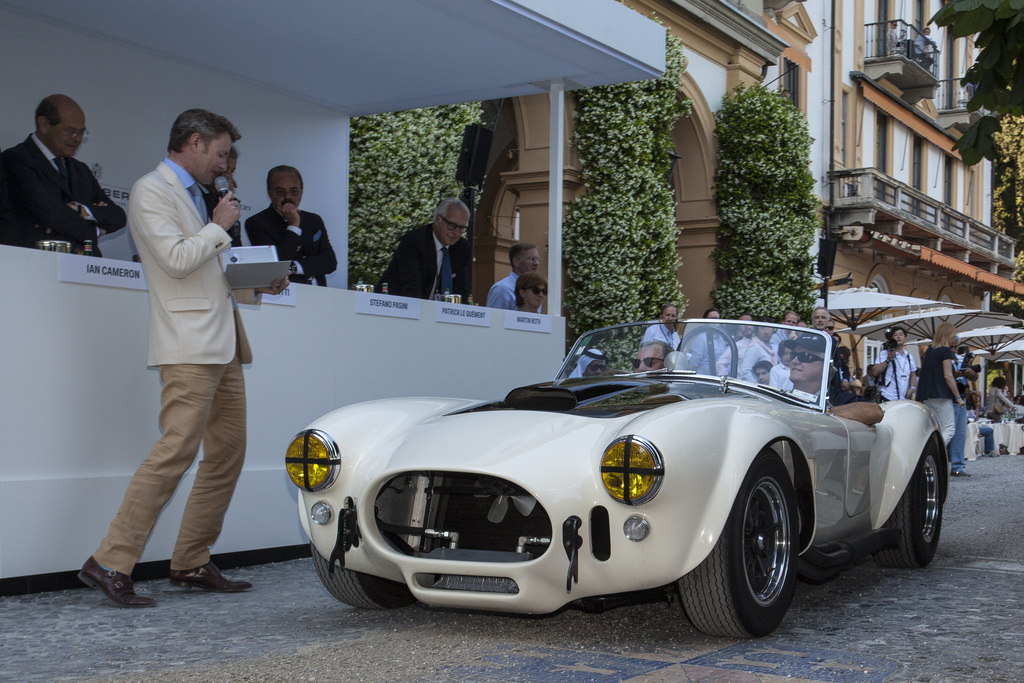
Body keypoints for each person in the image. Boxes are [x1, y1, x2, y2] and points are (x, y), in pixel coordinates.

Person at [78, 109, 288, 608]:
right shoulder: (152, 189)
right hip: (189, 345)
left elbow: (210, 273)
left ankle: (191, 559)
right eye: (219, 154)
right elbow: (175, 260)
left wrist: (259, 282)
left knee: (227, 455)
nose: (223, 164)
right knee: (175, 451)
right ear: (193, 143)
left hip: (224, 342)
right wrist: (218, 227)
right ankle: (110, 560)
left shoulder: (198, 197)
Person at [2, 94, 126, 254]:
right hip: (35, 264)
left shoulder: (81, 170)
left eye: (81, 132)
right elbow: (51, 214)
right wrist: (95, 231)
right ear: (44, 124)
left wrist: (80, 210)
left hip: (84, 266)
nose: (77, 139)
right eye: (71, 131)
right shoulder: (16, 159)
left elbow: (118, 216)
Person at [245, 165, 337, 286]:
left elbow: (329, 262)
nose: (288, 197)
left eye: (293, 191)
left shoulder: (314, 220)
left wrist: (294, 267)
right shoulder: (257, 223)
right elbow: (277, 264)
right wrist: (293, 225)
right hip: (283, 295)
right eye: (280, 191)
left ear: (301, 192)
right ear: (270, 193)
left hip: (318, 294)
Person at [378, 198, 472, 300]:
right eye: (452, 225)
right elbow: (411, 287)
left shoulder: (462, 248)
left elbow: (462, 290)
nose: (457, 233)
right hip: (394, 304)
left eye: (461, 228)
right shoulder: (415, 241)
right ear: (437, 220)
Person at [788, 333, 883, 425]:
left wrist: (823, 413)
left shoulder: (838, 400)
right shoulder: (783, 395)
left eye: (805, 356)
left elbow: (875, 411)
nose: (794, 361)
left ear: (826, 367)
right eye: (793, 355)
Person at [916, 323, 963, 474]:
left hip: (928, 396)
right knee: (949, 429)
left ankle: (928, 457)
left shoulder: (930, 351)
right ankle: (929, 456)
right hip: (942, 395)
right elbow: (948, 377)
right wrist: (958, 397)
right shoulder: (945, 351)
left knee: (935, 429)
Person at [948, 344, 980, 474]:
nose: (953, 349)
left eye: (955, 347)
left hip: (961, 399)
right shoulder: (943, 359)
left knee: (960, 434)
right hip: (947, 399)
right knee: (947, 433)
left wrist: (971, 373)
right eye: (951, 347)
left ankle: (958, 466)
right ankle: (942, 464)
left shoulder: (961, 359)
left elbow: (974, 377)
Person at [203, 145, 241, 246]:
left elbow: (235, 243)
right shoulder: (197, 196)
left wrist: (227, 195)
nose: (228, 175)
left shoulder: (228, 199)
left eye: (231, 171)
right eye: (225, 170)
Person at [868, 326, 918, 402]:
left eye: (901, 334)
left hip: (904, 398)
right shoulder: (884, 353)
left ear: (905, 338)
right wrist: (888, 360)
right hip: (887, 396)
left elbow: (913, 374)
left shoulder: (908, 356)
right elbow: (874, 372)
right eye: (895, 335)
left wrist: (912, 388)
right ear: (891, 338)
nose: (898, 337)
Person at [486, 242, 540, 310]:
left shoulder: (537, 291)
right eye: (531, 259)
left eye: (537, 259)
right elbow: (493, 319)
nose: (536, 263)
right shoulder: (502, 289)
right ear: (516, 262)